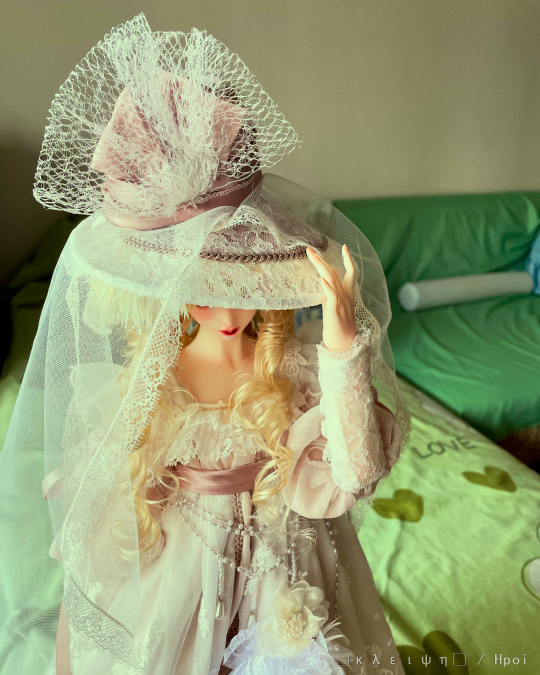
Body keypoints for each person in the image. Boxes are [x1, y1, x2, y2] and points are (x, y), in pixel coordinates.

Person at [0, 13, 410, 675]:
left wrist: (341, 344)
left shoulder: (295, 368)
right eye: (201, 290)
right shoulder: (155, 379)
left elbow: (356, 473)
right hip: (181, 579)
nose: (226, 311)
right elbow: (115, 488)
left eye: (240, 284)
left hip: (285, 573)